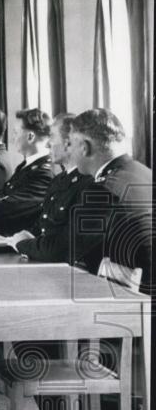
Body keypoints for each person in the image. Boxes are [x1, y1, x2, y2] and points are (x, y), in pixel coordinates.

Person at [64, 109, 151, 293]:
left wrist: (20, 243)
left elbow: (66, 248)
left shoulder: (103, 187)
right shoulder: (144, 172)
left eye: (70, 144)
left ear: (84, 147)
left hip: (132, 297)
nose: (68, 150)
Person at [10, 114, 93, 263]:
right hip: (42, 257)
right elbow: (42, 225)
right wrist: (24, 235)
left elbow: (63, 247)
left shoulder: (88, 184)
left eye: (53, 137)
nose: (48, 145)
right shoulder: (58, 180)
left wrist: (22, 244)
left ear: (68, 143)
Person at [0, 108, 55, 235]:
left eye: (16, 133)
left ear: (30, 136)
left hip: (14, 242)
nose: (12, 138)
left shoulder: (44, 173)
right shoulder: (27, 165)